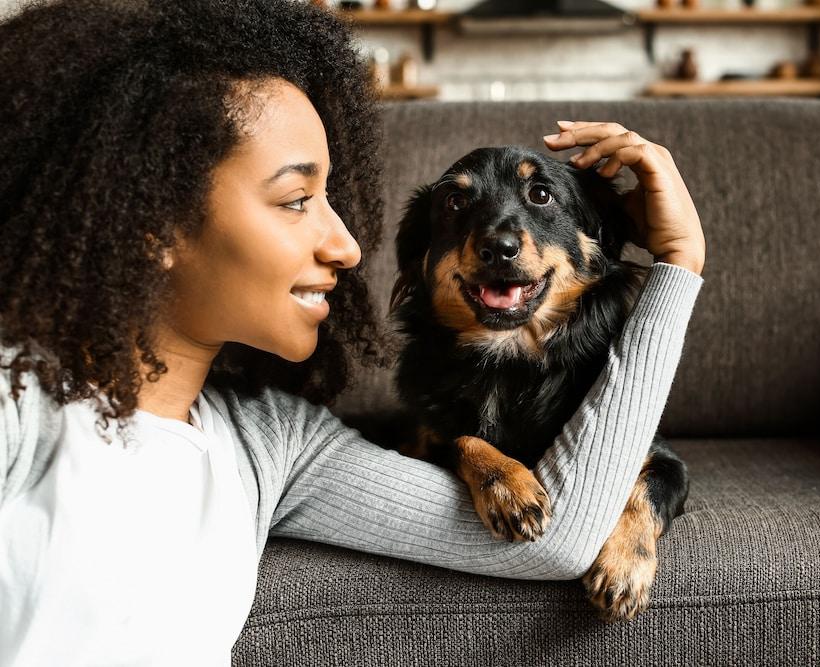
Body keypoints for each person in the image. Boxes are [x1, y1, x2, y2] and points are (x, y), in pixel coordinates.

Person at [0, 0, 706, 664]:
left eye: (331, 198)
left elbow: (557, 539)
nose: (346, 245)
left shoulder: (273, 447)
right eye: (297, 199)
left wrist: (679, 266)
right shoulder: (18, 401)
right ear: (153, 219)